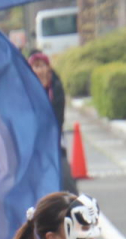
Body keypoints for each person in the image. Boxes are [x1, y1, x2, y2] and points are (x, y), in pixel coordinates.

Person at [27, 50, 76, 194]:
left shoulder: (56, 88)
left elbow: (58, 117)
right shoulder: (26, 90)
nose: (40, 70)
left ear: (48, 68)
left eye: (42, 66)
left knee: (66, 179)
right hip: (32, 145)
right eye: (36, 67)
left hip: (54, 142)